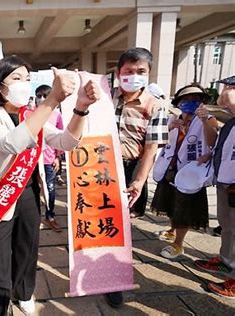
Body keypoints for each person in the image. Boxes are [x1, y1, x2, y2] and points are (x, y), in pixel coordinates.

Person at [0, 55, 99, 315]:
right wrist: (53, 100)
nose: (24, 84)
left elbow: (65, 142)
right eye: (16, 78)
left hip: (28, 194)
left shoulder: (32, 115)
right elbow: (12, 143)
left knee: (27, 251)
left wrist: (80, 107)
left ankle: (24, 293)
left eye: (27, 79)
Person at [106, 47, 169, 308]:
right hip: (103, 166)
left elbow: (152, 149)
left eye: (140, 72)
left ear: (148, 74)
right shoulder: (106, 98)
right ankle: (102, 270)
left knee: (123, 228)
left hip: (132, 168)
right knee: (103, 220)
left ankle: (115, 280)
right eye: (128, 71)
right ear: (118, 73)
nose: (134, 76)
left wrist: (139, 181)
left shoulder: (155, 106)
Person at [151, 84, 218, 259]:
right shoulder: (173, 118)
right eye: (186, 100)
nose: (190, 103)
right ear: (179, 103)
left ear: (202, 102)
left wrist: (203, 121)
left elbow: (213, 142)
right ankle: (172, 231)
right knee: (171, 204)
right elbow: (158, 141)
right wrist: (170, 127)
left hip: (191, 172)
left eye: (195, 99)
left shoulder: (208, 119)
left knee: (184, 209)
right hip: (170, 168)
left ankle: (178, 244)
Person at [194, 75, 235, 299]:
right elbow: (219, 143)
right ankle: (226, 260)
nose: (226, 93)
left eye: (229, 88)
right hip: (226, 183)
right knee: (227, 226)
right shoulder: (230, 121)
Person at [35, 84, 64, 232]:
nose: (41, 99)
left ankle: (50, 216)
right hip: (32, 159)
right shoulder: (30, 113)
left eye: (45, 96)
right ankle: (34, 217)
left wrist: (58, 157)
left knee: (50, 189)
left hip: (48, 159)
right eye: (38, 95)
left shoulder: (57, 115)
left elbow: (60, 137)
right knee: (33, 190)